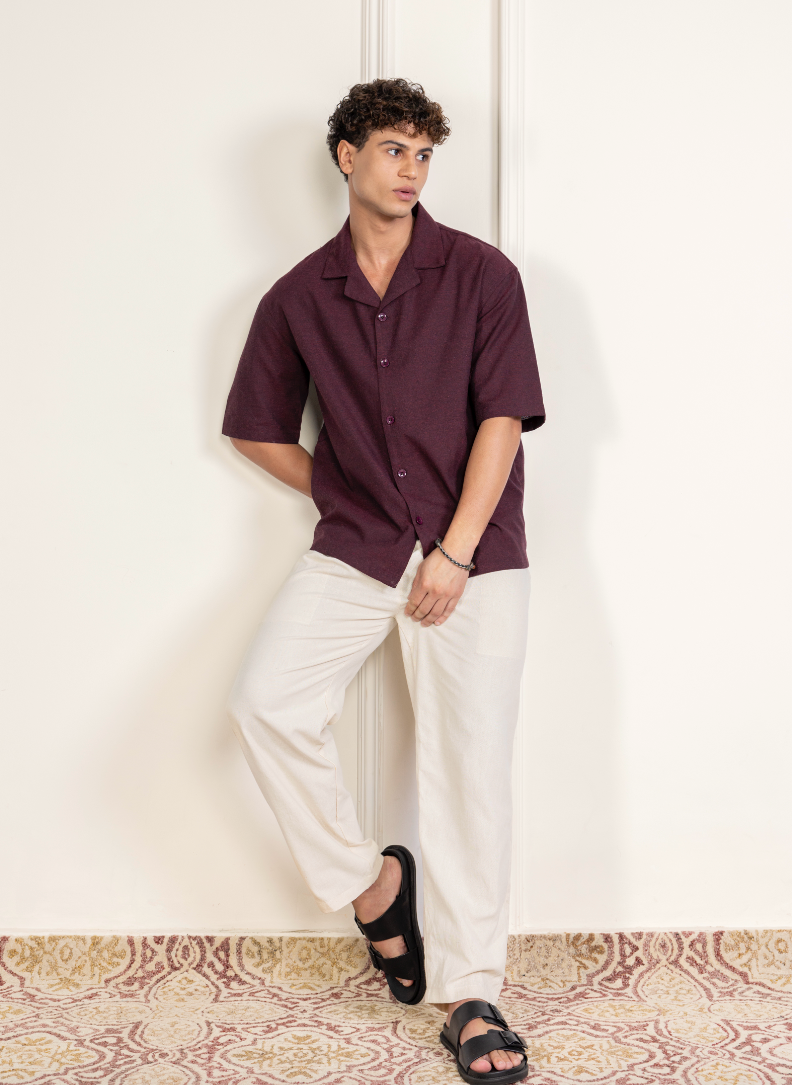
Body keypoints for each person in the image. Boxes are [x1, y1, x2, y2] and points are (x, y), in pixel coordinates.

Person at [223, 78, 545, 1082]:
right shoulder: (298, 296)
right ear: (346, 156)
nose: (410, 170)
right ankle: (371, 887)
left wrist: (454, 551)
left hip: (474, 551)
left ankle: (471, 994)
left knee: (470, 767)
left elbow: (502, 418)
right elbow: (255, 428)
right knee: (266, 701)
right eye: (393, 149)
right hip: (359, 545)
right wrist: (343, 487)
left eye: (423, 154)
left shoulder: (481, 275)